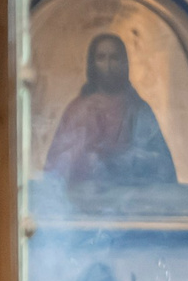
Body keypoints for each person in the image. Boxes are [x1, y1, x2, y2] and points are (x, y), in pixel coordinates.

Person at [43, 32, 178, 194]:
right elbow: (56, 167)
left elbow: (163, 166)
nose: (108, 65)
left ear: (124, 63)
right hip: (83, 202)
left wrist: (121, 159)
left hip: (131, 201)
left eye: (114, 58)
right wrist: (86, 157)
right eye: (101, 58)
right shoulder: (78, 110)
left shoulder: (138, 110)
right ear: (92, 63)